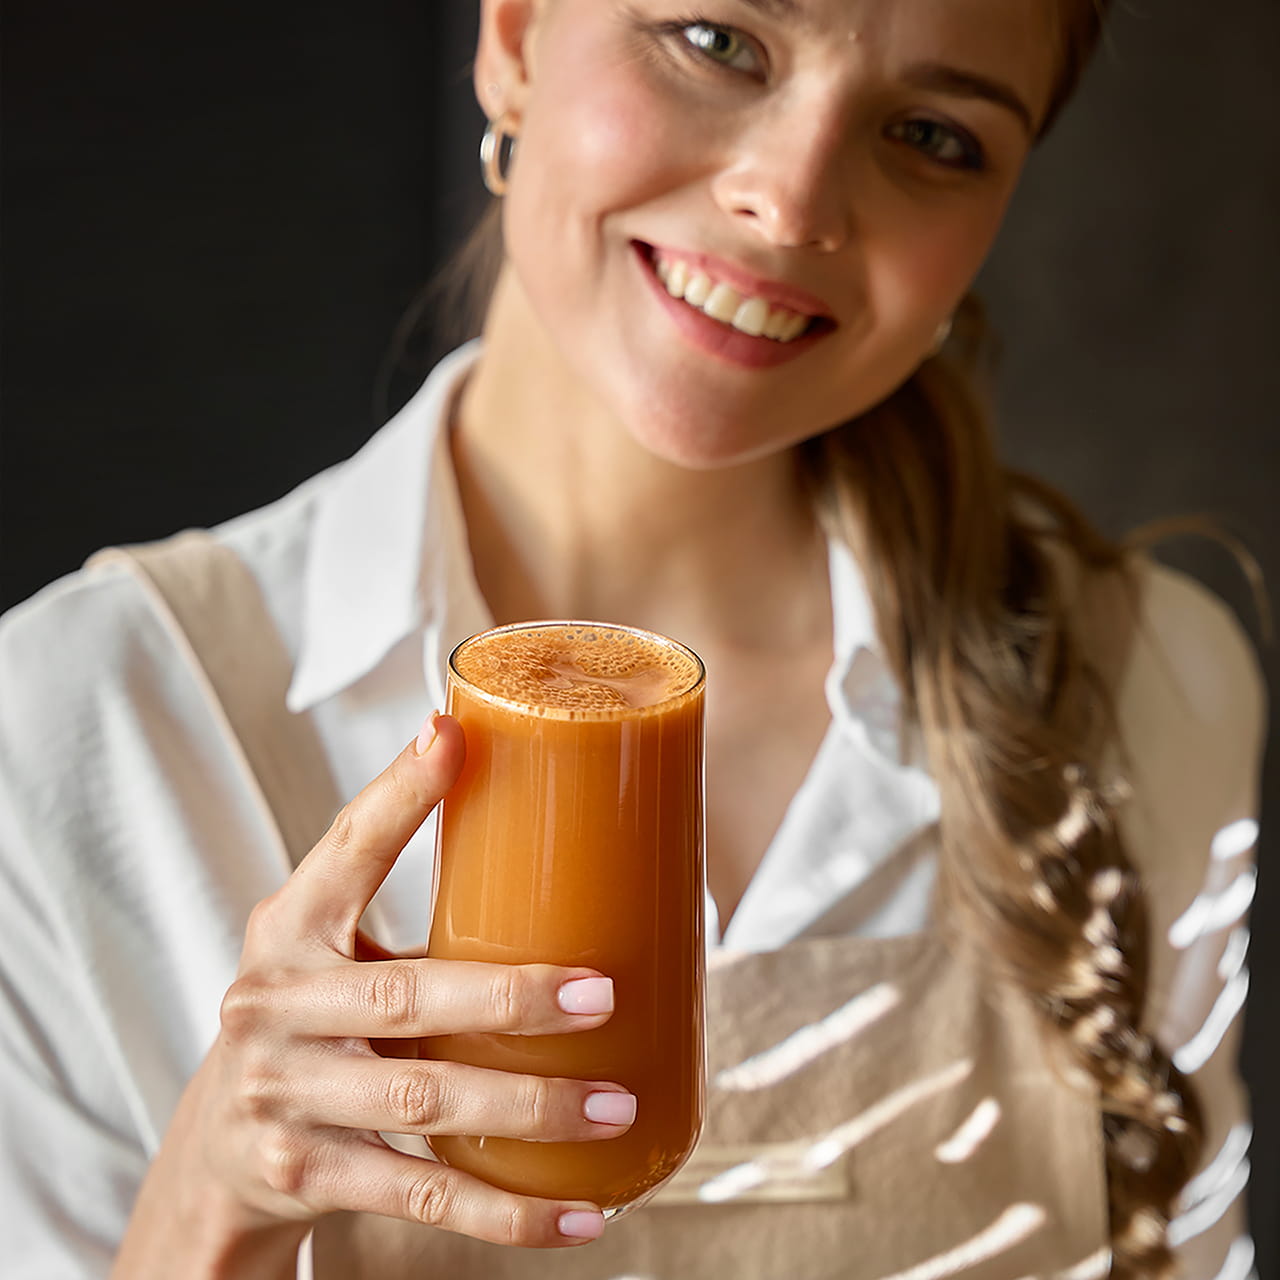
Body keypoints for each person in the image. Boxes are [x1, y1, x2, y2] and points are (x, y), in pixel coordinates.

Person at [0, 0, 1265, 1277]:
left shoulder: (1153, 680)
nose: (790, 197)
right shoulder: (84, 722)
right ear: (511, 40)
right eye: (716, 43)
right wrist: (218, 1204)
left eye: (930, 133)